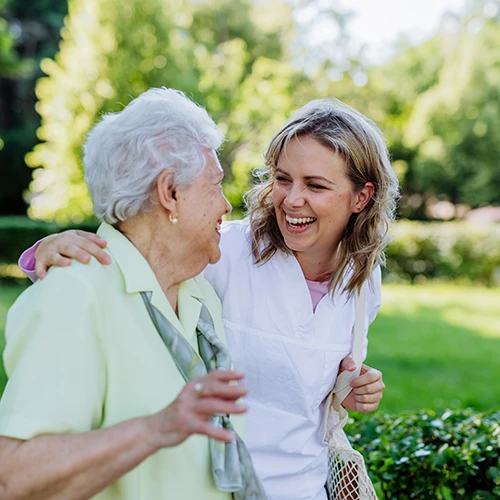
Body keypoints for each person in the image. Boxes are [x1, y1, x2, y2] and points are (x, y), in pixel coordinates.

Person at [19, 97, 398, 499]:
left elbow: (309, 382)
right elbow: (138, 255)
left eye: (316, 185)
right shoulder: (224, 251)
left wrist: (351, 386)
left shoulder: (362, 281)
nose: (291, 199)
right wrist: (51, 249)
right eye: (283, 179)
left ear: (361, 197)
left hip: (306, 487)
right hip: (222, 486)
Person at [0, 88, 268, 500]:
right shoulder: (74, 294)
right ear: (169, 193)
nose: (226, 204)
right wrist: (158, 427)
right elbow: (14, 478)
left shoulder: (199, 294)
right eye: (215, 185)